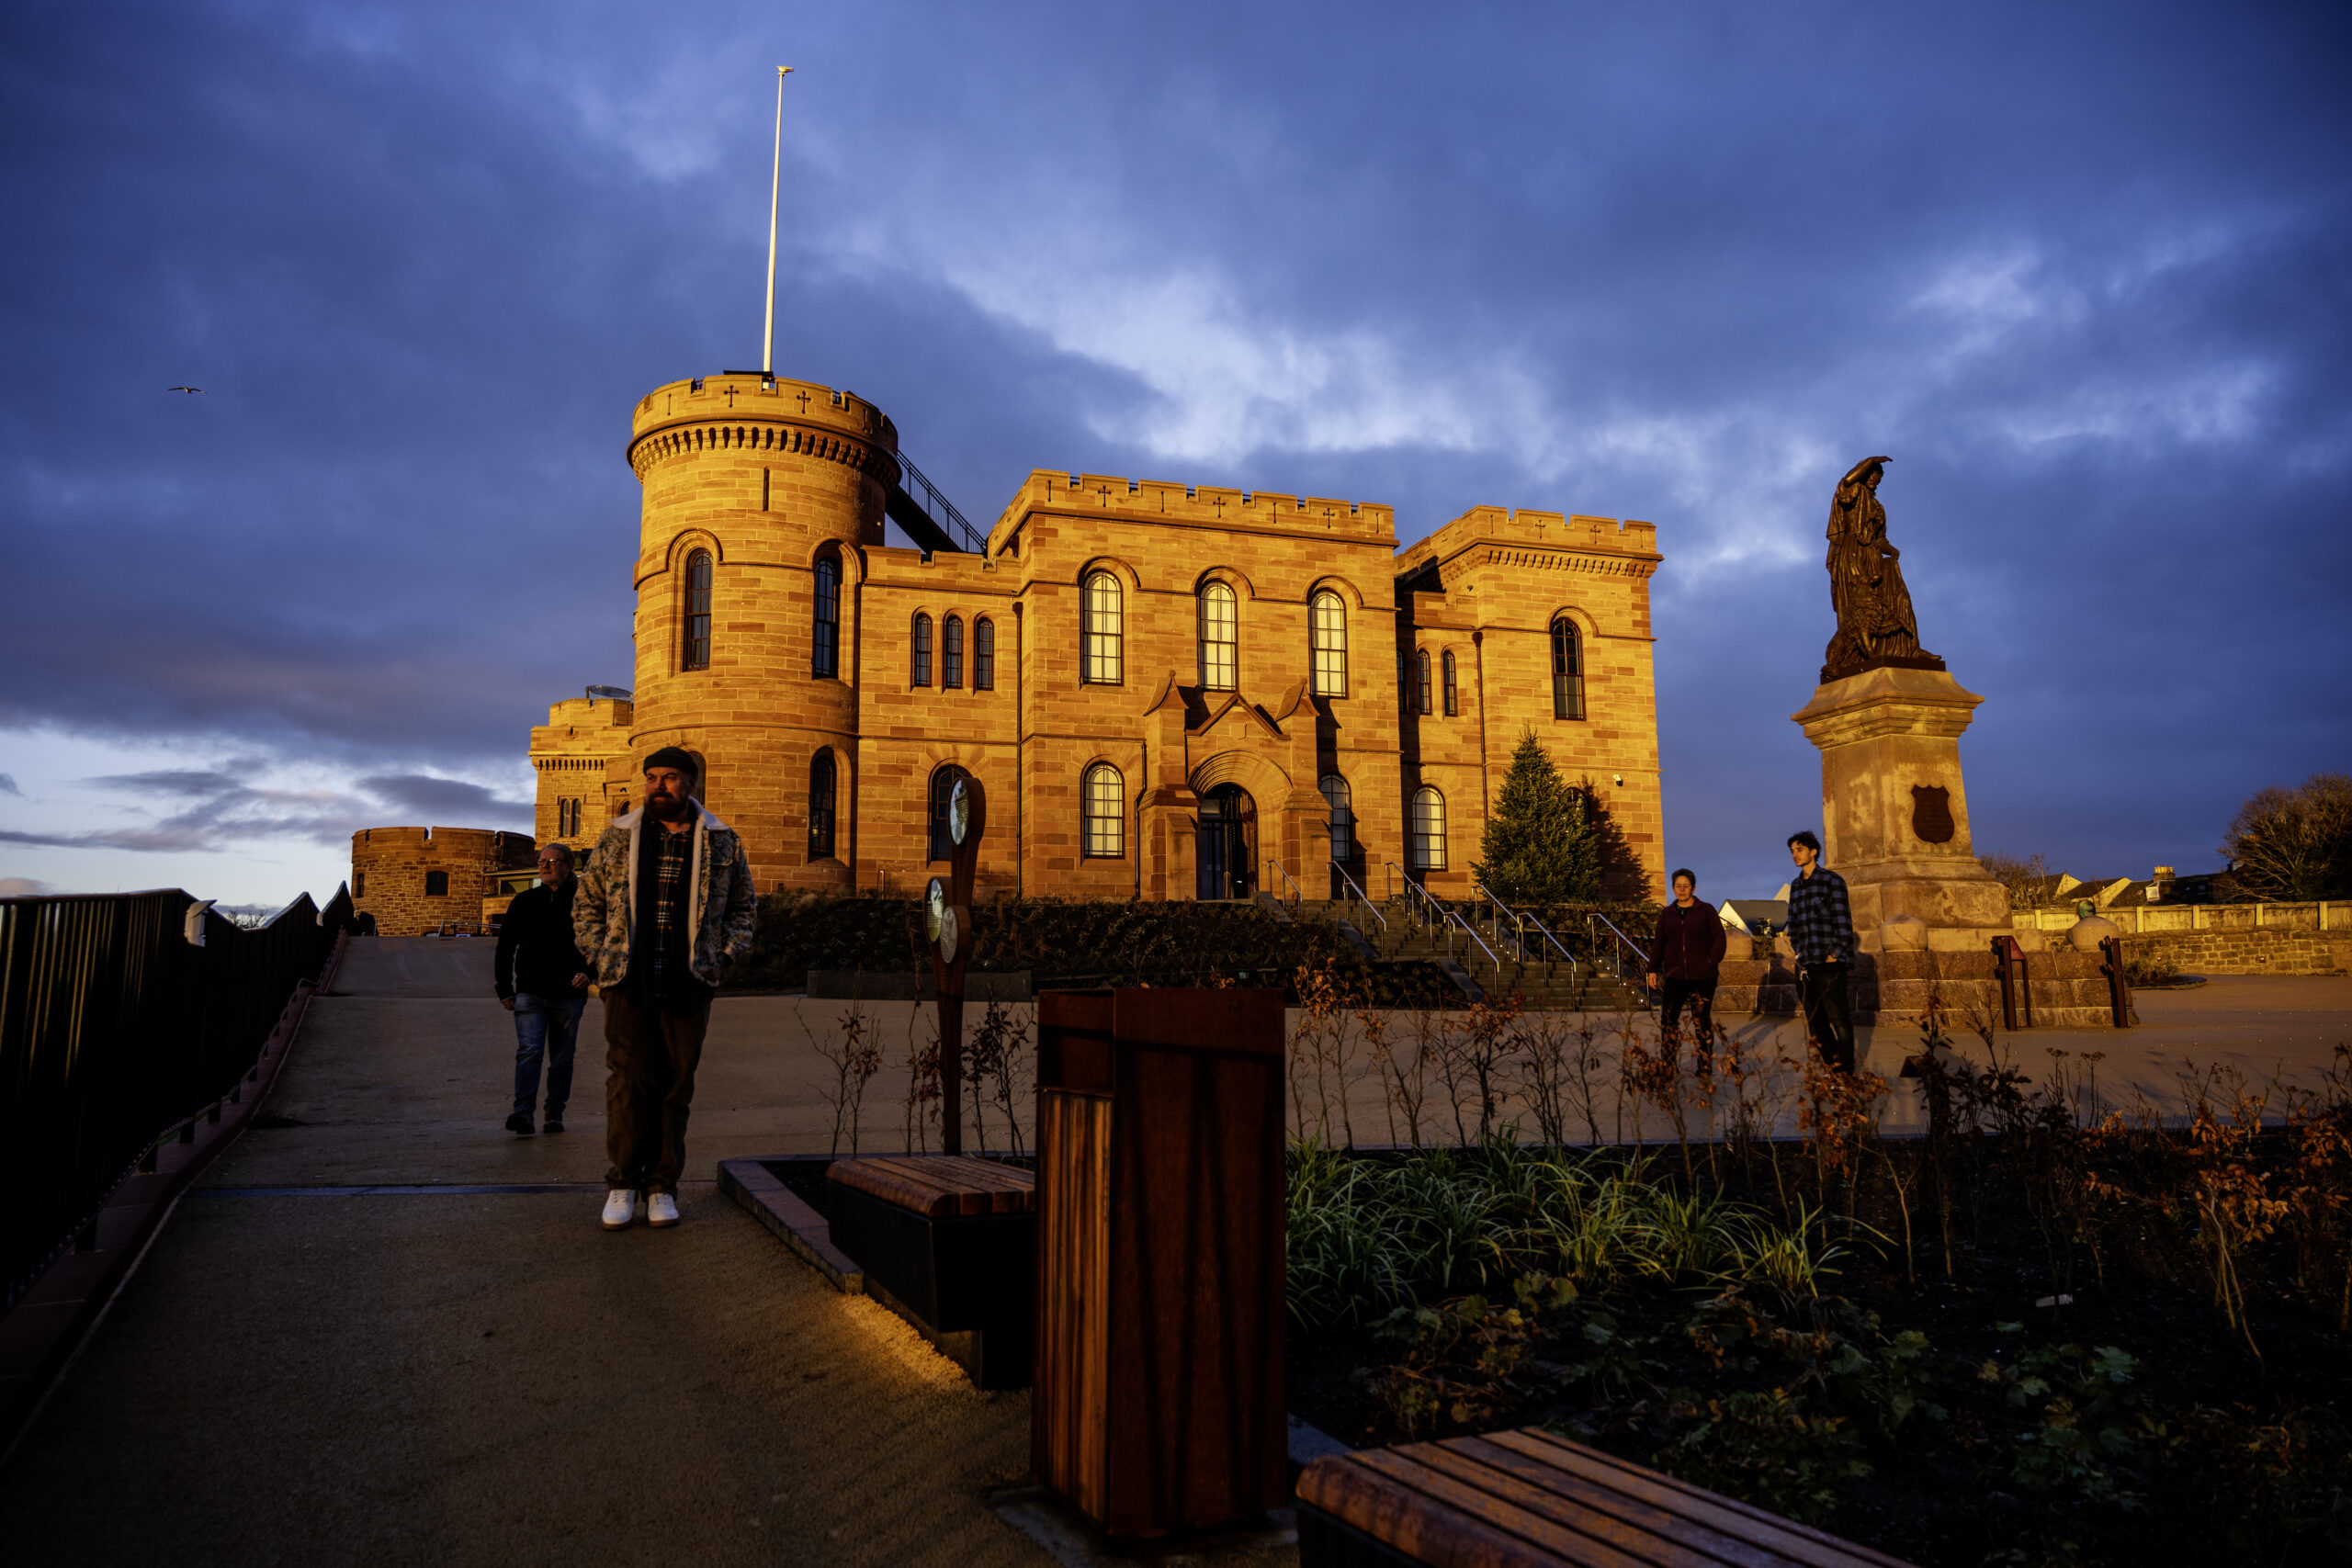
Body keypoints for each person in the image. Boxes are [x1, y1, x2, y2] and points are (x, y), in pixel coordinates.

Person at [573, 748, 758, 1231]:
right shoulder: (617, 838)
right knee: (628, 1084)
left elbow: (744, 907)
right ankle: (621, 1184)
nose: (658, 786)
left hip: (689, 981)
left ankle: (661, 1187)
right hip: (627, 981)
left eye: (669, 778)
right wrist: (600, 955)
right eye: (652, 777)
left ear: (690, 784)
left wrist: (725, 954)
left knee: (675, 1088)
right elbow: (587, 902)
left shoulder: (722, 841)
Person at [493, 842, 591, 1135]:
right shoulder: (523, 902)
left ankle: (554, 1111)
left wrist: (590, 973)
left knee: (562, 1058)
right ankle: (523, 1112)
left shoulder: (583, 903)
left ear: (568, 866)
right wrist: (504, 988)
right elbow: (505, 947)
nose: (545, 865)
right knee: (529, 1051)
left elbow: (602, 943)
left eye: (552, 861)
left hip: (569, 994)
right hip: (530, 991)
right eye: (541, 861)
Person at [1784, 830, 1858, 1073]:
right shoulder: (1795, 886)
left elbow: (1843, 921)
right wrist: (1797, 949)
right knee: (1816, 1021)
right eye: (1793, 850)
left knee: (1839, 1019)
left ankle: (1846, 1071)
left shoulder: (1831, 880)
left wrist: (1833, 955)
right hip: (1806, 963)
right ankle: (1832, 1065)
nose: (1795, 855)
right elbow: (1792, 922)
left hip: (1829, 962)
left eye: (1800, 849)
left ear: (1813, 851)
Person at [1645, 868, 1725, 1058]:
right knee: (1669, 1020)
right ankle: (1669, 1064)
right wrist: (1652, 970)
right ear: (1673, 888)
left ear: (1694, 888)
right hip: (1675, 975)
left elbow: (1719, 939)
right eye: (1678, 886)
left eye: (1686, 886)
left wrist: (1710, 961)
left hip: (1703, 976)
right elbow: (1659, 943)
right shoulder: (1667, 914)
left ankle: (1704, 1065)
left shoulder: (1706, 911)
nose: (1681, 890)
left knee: (1701, 1020)